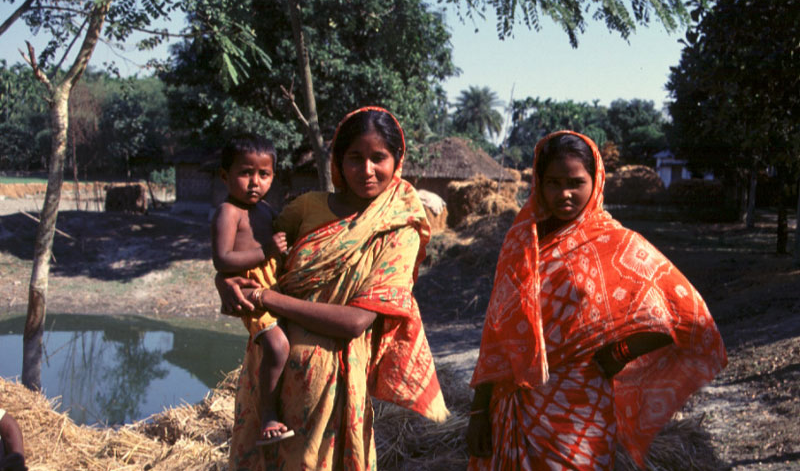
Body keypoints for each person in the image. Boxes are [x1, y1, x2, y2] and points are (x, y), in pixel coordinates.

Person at [466, 131, 728, 470]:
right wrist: (479, 411)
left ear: (596, 181)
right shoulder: (521, 245)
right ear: (538, 183)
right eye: (553, 182)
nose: (564, 193)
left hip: (580, 413)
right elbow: (496, 334)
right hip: (513, 408)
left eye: (576, 182)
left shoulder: (617, 243)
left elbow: (683, 316)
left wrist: (620, 352)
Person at [217, 106, 449, 470]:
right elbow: (254, 254)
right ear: (338, 160)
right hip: (267, 385)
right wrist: (224, 281)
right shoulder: (307, 207)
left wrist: (267, 298)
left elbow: (356, 321)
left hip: (333, 388)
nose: (367, 170)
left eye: (379, 158)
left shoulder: (400, 231)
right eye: (355, 158)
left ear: (397, 159)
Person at [211, 133, 293, 445]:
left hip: (276, 286)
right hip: (250, 290)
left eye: (264, 174)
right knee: (277, 347)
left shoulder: (267, 211)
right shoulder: (228, 212)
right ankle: (268, 413)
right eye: (245, 173)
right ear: (225, 175)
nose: (254, 182)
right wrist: (266, 253)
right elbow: (222, 259)